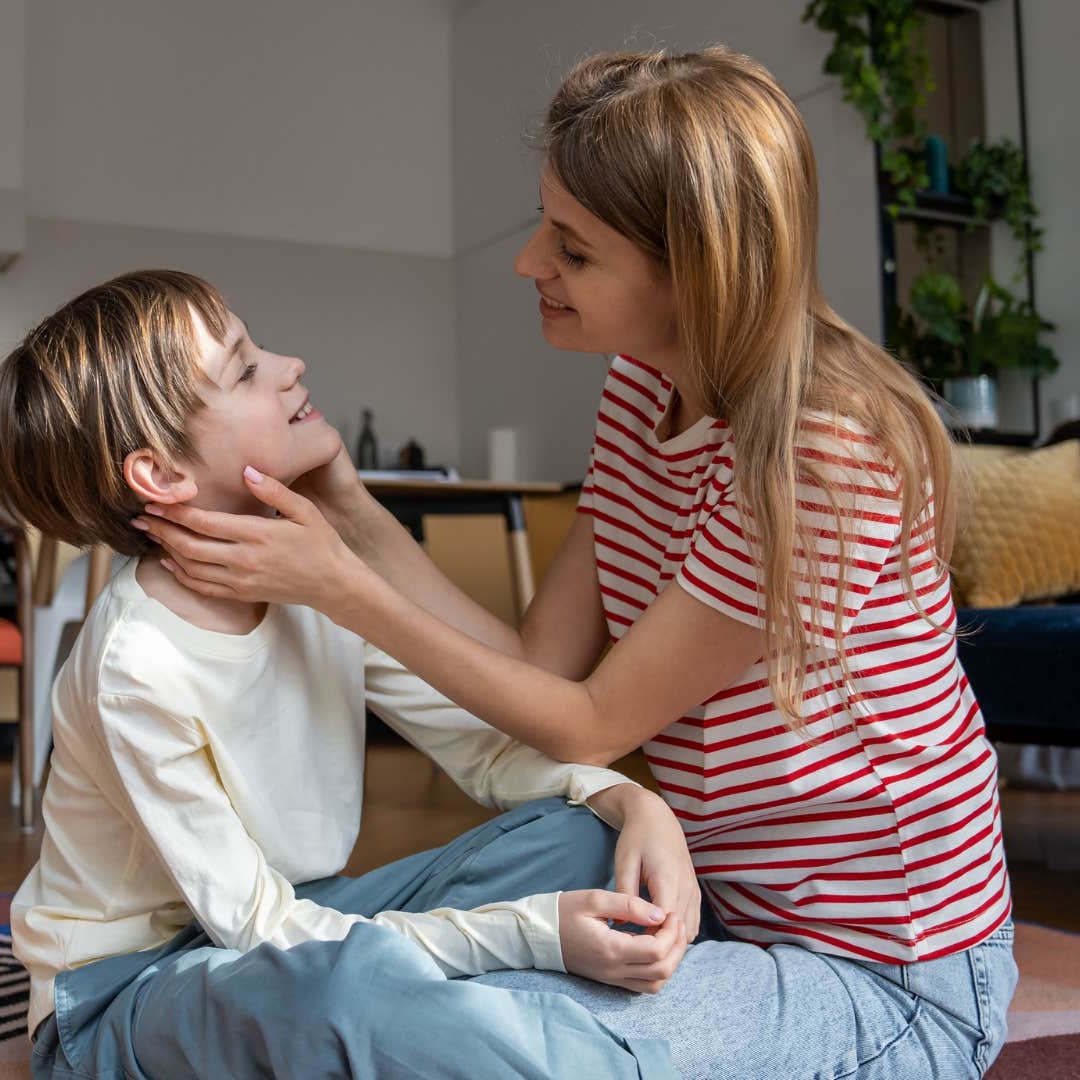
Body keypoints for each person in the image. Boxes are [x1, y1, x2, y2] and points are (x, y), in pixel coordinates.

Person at [137, 48, 1017, 1078]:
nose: (531, 265)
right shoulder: (643, 389)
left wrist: (336, 585)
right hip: (723, 916)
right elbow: (539, 670)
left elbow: (593, 722)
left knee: (445, 1031)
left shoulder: (823, 448)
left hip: (891, 980)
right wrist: (343, 500)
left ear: (696, 270)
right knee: (386, 988)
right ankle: (171, 1005)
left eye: (575, 249)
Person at [0, 269, 695, 1079]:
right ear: (163, 477)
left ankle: (466, 1025)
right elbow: (266, 940)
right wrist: (531, 930)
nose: (289, 366)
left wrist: (632, 801)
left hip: (303, 926)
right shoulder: (135, 664)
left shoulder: (308, 571)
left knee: (585, 838)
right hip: (130, 991)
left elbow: (488, 754)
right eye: (245, 369)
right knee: (342, 996)